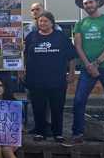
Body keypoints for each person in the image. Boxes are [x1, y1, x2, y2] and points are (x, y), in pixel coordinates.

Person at [66, 0, 104, 148]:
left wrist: (96, 63)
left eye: (90, 2)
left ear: (97, 3)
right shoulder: (80, 24)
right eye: (85, 4)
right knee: (78, 101)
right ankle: (77, 134)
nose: (88, 5)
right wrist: (88, 65)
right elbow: (78, 46)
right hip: (86, 69)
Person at [23, 11, 76, 142]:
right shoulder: (31, 37)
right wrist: (21, 70)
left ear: (52, 23)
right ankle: (40, 132)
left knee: (57, 107)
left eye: (46, 21)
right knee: (38, 107)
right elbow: (24, 55)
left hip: (57, 80)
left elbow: (72, 57)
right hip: (36, 80)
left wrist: (72, 73)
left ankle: (58, 133)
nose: (43, 23)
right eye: (40, 21)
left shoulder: (61, 37)